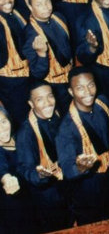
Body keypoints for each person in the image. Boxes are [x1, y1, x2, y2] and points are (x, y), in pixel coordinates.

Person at [56, 67, 109, 225]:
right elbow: (66, 168)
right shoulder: (66, 128)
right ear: (71, 92)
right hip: (87, 182)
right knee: (90, 219)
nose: (88, 92)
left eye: (91, 85)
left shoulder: (102, 102)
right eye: (80, 88)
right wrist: (80, 168)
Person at [17, 81, 73, 233]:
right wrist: (40, 174)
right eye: (40, 99)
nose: (48, 103)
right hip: (46, 194)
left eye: (50, 96)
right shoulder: (25, 133)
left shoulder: (57, 113)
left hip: (66, 183)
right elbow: (25, 169)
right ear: (31, 103)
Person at [23, 0, 73, 115]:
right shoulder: (30, 34)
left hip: (70, 75)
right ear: (30, 7)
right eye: (39, 5)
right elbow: (37, 74)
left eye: (47, 2)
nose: (46, 7)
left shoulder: (59, 17)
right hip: (53, 85)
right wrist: (41, 54)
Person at [0, 106, 36, 233]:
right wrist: (7, 179)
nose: (2, 128)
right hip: (13, 212)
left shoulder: (20, 137)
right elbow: (2, 169)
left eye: (3, 121)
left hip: (34, 202)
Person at [0, 0, 30, 126]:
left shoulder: (17, 13)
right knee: (20, 120)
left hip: (28, 75)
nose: (7, 0)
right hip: (10, 81)